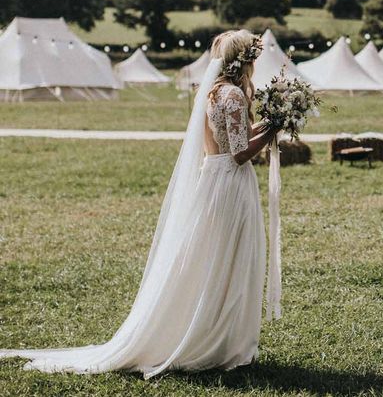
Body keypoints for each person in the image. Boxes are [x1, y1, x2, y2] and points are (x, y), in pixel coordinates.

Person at [0, 29, 280, 378]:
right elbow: (239, 154)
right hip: (229, 182)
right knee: (227, 258)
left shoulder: (214, 91)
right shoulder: (235, 95)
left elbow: (231, 139)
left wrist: (269, 123)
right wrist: (273, 130)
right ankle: (215, 338)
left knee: (212, 258)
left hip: (214, 177)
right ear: (246, 60)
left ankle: (211, 330)